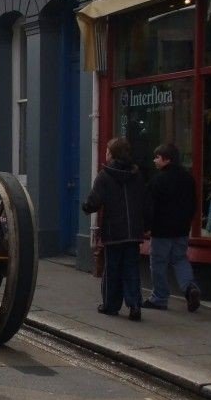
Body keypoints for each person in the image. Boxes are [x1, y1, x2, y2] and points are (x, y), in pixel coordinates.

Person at [82, 136, 148, 321]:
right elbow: (145, 202)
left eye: (107, 150)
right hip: (133, 231)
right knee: (132, 269)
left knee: (112, 269)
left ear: (112, 154)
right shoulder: (137, 175)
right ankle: (135, 305)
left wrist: (86, 207)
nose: (106, 153)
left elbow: (94, 201)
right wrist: (146, 225)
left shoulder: (105, 175)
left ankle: (111, 305)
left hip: (114, 230)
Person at [144, 143, 201, 312]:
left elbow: (150, 205)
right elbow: (193, 203)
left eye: (157, 157)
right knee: (180, 259)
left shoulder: (158, 180)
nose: (154, 160)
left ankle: (160, 298)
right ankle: (190, 287)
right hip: (181, 228)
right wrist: (188, 221)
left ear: (166, 159)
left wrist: (147, 225)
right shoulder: (188, 178)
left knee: (158, 263)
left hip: (161, 230)